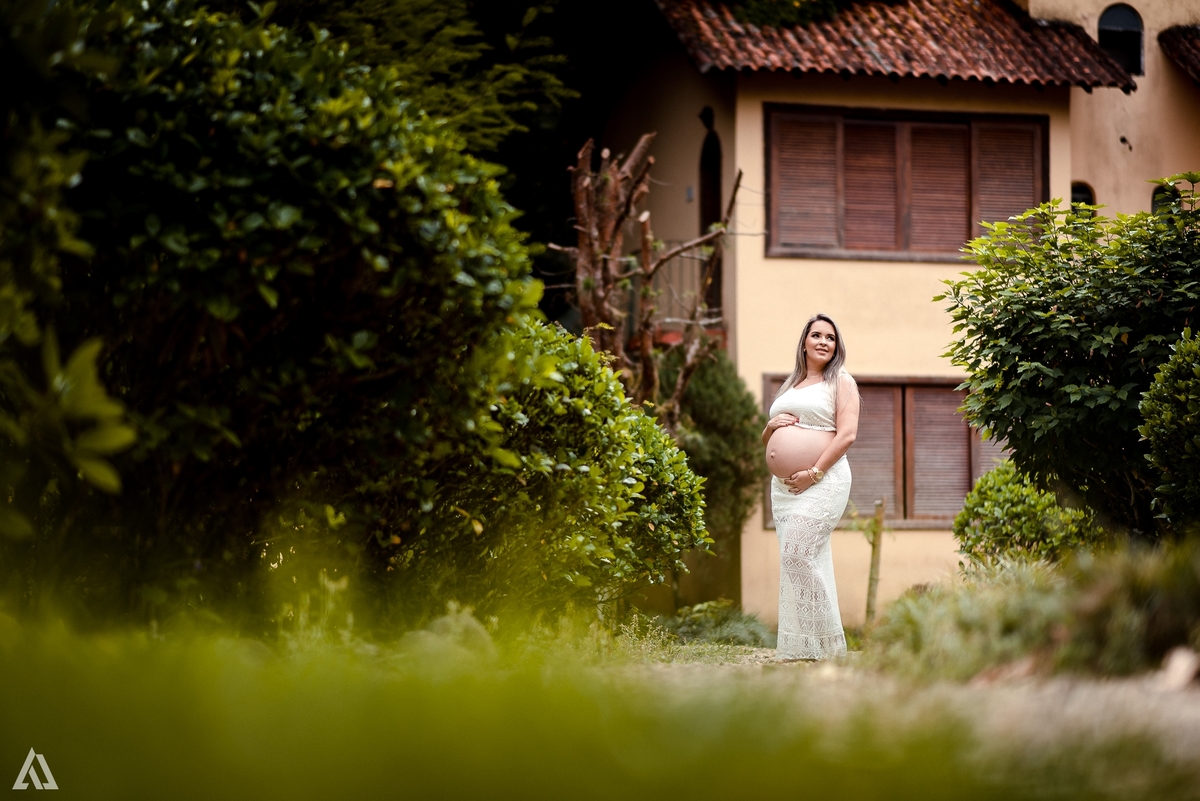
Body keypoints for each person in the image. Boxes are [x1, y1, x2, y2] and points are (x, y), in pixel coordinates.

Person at [761, 313, 859, 661]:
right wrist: (770, 427)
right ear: (804, 342)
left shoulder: (841, 381)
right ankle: (808, 646)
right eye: (816, 335)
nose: (823, 342)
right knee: (797, 560)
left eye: (830, 338)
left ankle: (830, 647)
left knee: (797, 554)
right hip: (785, 490)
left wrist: (814, 472)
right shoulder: (791, 385)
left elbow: (847, 435)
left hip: (824, 481)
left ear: (836, 347)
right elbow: (770, 440)